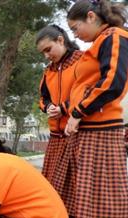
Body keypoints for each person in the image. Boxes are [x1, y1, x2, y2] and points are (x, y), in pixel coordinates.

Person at [57, 0, 128, 218]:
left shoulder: (116, 36)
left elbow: (113, 82)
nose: (75, 34)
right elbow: (86, 85)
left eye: (75, 27)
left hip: (102, 128)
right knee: (86, 188)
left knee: (99, 189)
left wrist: (79, 112)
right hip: (89, 127)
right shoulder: (98, 43)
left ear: (91, 16)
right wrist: (68, 109)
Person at [36, 25, 82, 187]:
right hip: (56, 138)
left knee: (77, 189)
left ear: (61, 40)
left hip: (77, 135)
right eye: (43, 52)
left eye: (48, 49)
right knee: (52, 188)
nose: (46, 56)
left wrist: (63, 108)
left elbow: (88, 93)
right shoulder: (48, 71)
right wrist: (48, 107)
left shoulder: (82, 60)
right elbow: (43, 98)